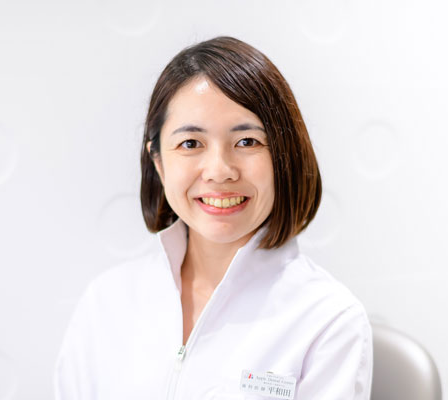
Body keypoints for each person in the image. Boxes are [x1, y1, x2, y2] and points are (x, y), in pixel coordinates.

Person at [53, 36, 373, 399]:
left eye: (247, 142)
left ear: (284, 157)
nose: (220, 171)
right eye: (191, 143)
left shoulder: (328, 320)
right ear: (158, 161)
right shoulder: (106, 302)